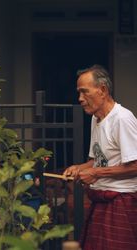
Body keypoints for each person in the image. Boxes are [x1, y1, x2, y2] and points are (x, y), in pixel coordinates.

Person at [63, 65, 137, 250]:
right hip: (101, 200)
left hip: (121, 201)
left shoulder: (122, 119)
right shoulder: (96, 119)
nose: (80, 99)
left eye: (84, 92)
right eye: (79, 93)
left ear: (102, 90)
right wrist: (80, 168)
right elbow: (97, 160)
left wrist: (96, 173)